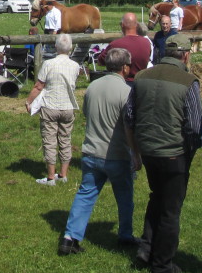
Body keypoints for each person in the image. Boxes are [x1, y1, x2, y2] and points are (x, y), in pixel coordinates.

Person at [124, 32, 202, 273]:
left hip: (148, 150)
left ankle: (145, 250)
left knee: (157, 197)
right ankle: (162, 264)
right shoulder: (188, 81)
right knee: (170, 209)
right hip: (174, 153)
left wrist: (136, 149)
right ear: (185, 55)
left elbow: (129, 115)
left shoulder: (142, 76)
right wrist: (188, 152)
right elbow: (195, 125)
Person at [58, 47, 136, 256]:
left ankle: (70, 237)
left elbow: (86, 112)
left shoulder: (92, 86)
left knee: (85, 195)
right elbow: (130, 124)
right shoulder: (127, 91)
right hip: (116, 154)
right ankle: (125, 235)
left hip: (91, 151)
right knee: (125, 196)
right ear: (125, 67)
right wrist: (135, 153)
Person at [25, 33, 80, 186]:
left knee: (49, 141)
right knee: (65, 139)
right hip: (68, 106)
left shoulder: (48, 64)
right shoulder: (75, 66)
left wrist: (29, 101)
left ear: (56, 47)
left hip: (50, 105)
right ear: (71, 48)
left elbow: (39, 86)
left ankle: (50, 177)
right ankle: (63, 174)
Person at [100, 12, 153, 78]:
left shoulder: (115, 44)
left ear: (122, 25)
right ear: (137, 25)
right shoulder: (146, 43)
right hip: (141, 80)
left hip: (122, 81)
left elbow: (101, 61)